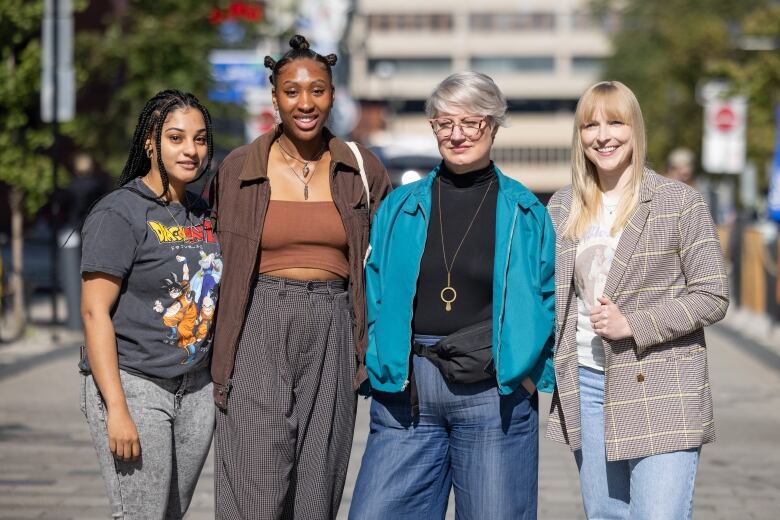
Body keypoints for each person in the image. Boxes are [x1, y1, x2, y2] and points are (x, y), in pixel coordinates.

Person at [349, 71, 556, 520]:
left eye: (471, 122)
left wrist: (528, 372)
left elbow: (549, 294)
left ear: (494, 124)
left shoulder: (526, 211)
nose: (457, 134)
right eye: (445, 124)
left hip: (493, 392)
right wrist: (379, 358)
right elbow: (375, 288)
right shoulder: (401, 207)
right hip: (409, 391)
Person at [209, 35, 391, 519]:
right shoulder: (238, 169)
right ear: (275, 97)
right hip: (258, 321)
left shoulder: (362, 169)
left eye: (318, 90)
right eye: (292, 91)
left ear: (334, 94)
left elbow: (390, 261)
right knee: (256, 480)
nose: (305, 103)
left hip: (334, 323)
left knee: (319, 482)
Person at [546, 80, 729, 519]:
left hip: (662, 383)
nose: (602, 135)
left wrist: (635, 324)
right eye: (590, 125)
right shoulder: (562, 206)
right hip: (588, 386)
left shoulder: (678, 202)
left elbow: (713, 294)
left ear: (635, 129)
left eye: (615, 122)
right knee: (606, 515)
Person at [79, 90, 219, 519]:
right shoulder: (120, 212)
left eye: (199, 139)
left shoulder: (202, 212)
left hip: (196, 390)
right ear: (150, 143)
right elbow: (93, 311)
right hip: (136, 385)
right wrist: (116, 409)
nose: (190, 150)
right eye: (176, 138)